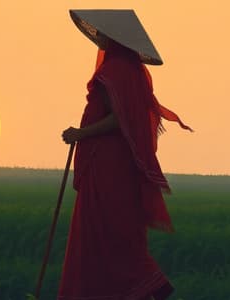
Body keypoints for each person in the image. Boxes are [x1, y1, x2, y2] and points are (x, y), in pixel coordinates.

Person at [58, 10, 193, 300]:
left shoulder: (113, 71)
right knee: (118, 228)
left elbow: (120, 120)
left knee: (104, 229)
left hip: (107, 162)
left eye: (104, 33)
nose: (100, 37)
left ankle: (144, 285)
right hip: (117, 162)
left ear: (116, 37)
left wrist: (80, 134)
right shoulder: (129, 70)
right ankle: (140, 287)